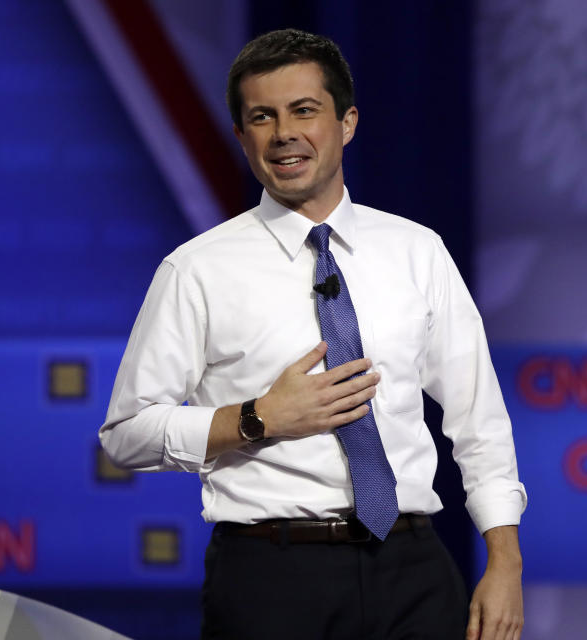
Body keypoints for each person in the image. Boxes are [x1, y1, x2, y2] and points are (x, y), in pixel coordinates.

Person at [101, 28, 527, 640]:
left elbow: (479, 419)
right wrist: (257, 418)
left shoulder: (417, 251)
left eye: (304, 110)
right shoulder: (196, 270)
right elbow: (127, 433)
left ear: (346, 122)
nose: (284, 134)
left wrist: (505, 561)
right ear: (242, 136)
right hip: (270, 579)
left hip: (412, 569)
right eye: (262, 117)